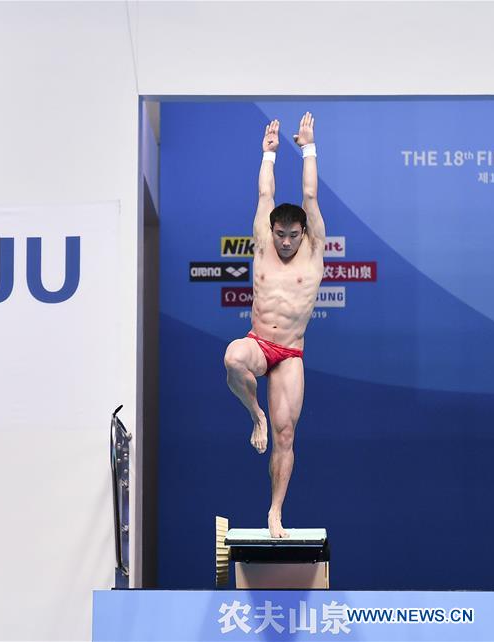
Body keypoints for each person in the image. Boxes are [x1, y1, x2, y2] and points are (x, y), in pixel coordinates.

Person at [223, 112, 325, 538]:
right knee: (232, 358)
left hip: (291, 355)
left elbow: (309, 193)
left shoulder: (314, 245)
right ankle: (255, 414)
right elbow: (266, 193)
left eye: (292, 235)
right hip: (260, 344)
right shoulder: (263, 242)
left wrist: (307, 149)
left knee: (286, 436)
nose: (285, 242)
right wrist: (268, 154)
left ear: (305, 232)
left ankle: (275, 513)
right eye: (280, 234)